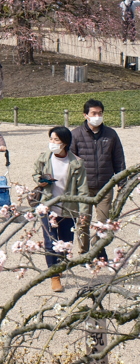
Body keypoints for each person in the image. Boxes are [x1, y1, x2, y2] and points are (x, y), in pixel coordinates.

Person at [34, 126, 89, 293]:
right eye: (51, 139)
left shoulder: (76, 163)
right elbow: (36, 174)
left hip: (68, 208)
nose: (52, 142)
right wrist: (40, 180)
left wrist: (84, 212)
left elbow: (83, 189)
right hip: (47, 206)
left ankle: (60, 266)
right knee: (50, 243)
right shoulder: (44, 158)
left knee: (66, 243)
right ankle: (54, 276)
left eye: (56, 140)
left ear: (65, 143)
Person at [70, 99, 126, 256]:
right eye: (94, 113)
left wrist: (122, 181)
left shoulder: (111, 134)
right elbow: (70, 162)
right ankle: (83, 252)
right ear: (85, 115)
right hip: (83, 187)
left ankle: (98, 251)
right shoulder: (75, 134)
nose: (97, 116)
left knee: (103, 222)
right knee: (82, 222)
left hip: (105, 185)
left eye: (100, 113)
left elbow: (118, 158)